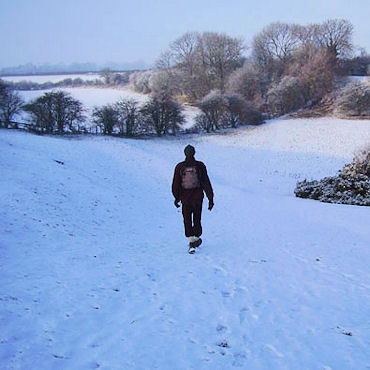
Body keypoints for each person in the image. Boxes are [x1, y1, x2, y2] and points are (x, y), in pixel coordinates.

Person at [172, 145, 214, 253]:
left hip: (185, 198)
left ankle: (191, 240)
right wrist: (210, 199)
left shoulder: (180, 167)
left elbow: (176, 184)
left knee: (186, 219)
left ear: (185, 153)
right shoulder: (200, 166)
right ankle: (196, 238)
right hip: (198, 197)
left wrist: (176, 198)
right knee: (197, 218)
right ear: (194, 153)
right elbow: (206, 182)